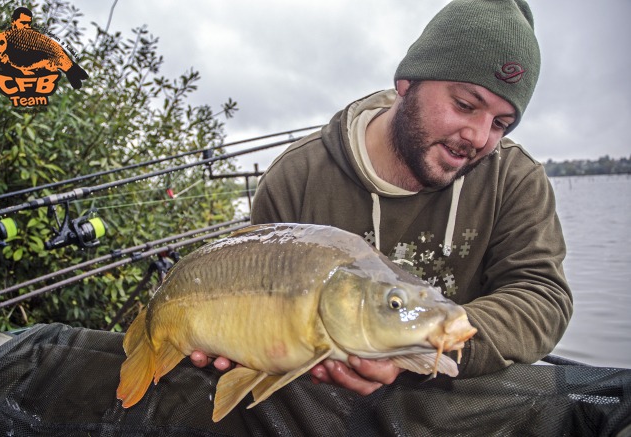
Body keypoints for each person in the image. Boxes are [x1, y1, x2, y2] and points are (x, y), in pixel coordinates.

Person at [192, 0, 573, 396]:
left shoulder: (514, 179)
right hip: (320, 401)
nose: (478, 137)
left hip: (448, 403)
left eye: (500, 123)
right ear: (407, 84)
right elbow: (256, 293)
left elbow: (542, 296)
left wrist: (427, 341)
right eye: (465, 105)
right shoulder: (296, 177)